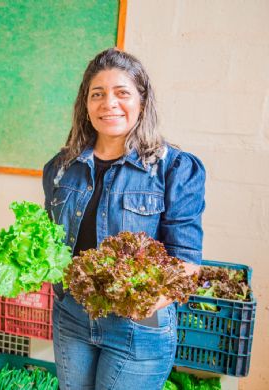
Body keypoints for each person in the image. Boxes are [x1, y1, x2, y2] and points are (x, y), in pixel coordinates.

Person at [43, 48, 205, 390]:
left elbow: (187, 264)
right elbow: (50, 247)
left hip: (138, 327)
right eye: (97, 94)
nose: (108, 104)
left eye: (122, 93)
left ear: (142, 102)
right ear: (85, 105)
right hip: (72, 318)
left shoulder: (173, 168)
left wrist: (143, 301)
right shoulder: (61, 167)